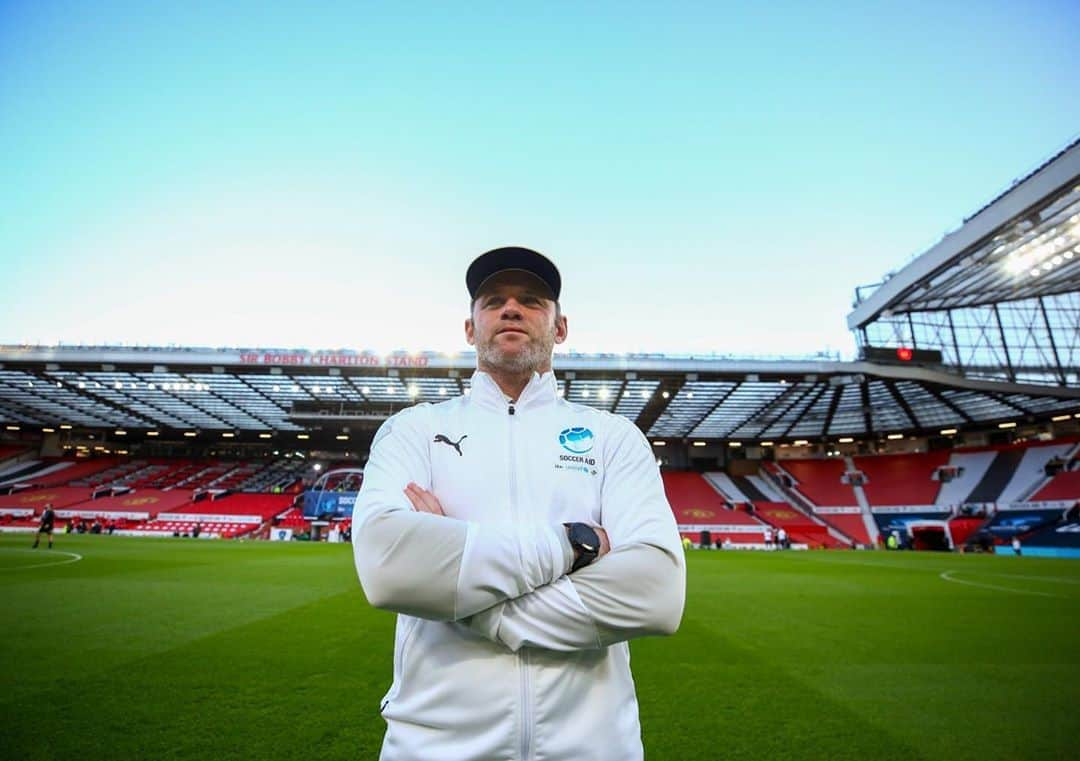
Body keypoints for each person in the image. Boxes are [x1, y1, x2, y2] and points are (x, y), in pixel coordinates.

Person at [352, 246, 686, 760]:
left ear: (560, 327)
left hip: (593, 749)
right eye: (493, 301)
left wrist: (458, 589)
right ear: (470, 328)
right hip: (432, 748)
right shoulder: (414, 430)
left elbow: (656, 593)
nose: (511, 309)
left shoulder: (612, 437)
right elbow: (388, 567)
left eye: (531, 301)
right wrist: (572, 547)